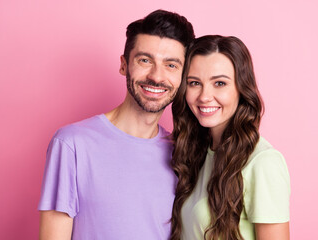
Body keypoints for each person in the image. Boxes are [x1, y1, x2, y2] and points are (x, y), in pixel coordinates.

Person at [38, 10, 194, 240]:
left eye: (171, 65)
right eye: (145, 60)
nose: (157, 76)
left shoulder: (181, 153)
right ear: (124, 65)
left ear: (182, 76)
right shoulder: (72, 145)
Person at [170, 35, 290, 240]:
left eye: (219, 83)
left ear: (241, 89)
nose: (204, 96)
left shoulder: (263, 162)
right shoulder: (197, 153)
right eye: (194, 83)